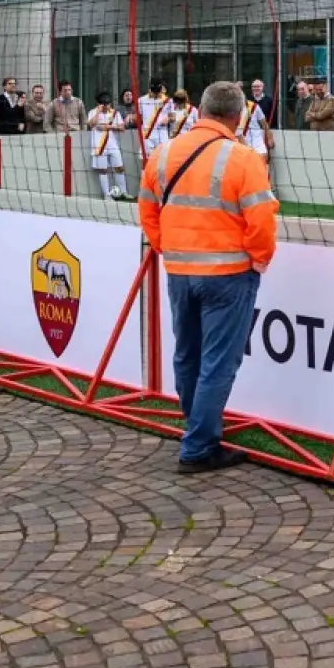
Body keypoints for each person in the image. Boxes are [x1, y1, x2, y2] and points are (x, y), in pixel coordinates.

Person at [138, 80, 280, 474]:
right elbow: (261, 220)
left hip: (180, 269)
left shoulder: (163, 153)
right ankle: (199, 445)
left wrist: (167, 246)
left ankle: (197, 424)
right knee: (218, 361)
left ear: (199, 110)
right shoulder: (245, 158)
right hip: (228, 273)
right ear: (238, 117)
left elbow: (147, 210)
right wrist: (260, 259)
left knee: (188, 353)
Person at [87, 93, 129, 200]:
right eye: (104, 104)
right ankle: (107, 195)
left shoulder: (115, 113)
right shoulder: (92, 112)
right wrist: (98, 112)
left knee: (119, 167)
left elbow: (122, 128)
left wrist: (107, 126)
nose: (107, 106)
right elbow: (92, 124)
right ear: (99, 104)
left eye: (108, 104)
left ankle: (123, 192)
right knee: (103, 170)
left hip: (112, 145)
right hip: (99, 145)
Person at [137, 78, 173, 156]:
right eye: (154, 91)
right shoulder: (141, 100)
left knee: (162, 160)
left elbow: (173, 115)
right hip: (148, 134)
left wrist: (169, 118)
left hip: (162, 133)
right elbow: (138, 117)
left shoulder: (168, 101)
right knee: (147, 161)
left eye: (158, 91)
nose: (156, 93)